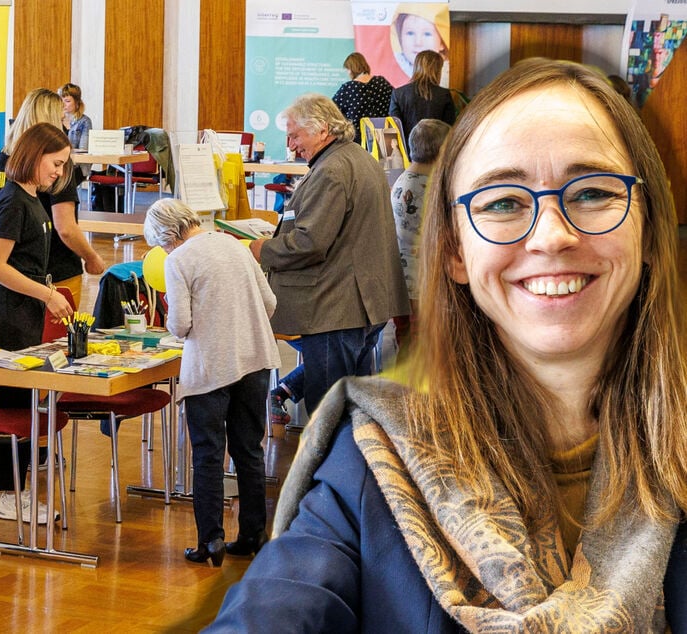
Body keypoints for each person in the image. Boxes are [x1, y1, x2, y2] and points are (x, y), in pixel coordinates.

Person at [210, 58, 687, 631]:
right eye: (503, 203)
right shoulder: (376, 463)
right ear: (456, 252)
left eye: (591, 192)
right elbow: (281, 602)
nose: (552, 235)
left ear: (650, 229)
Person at [249, 93, 409, 416]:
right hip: (366, 304)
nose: (291, 145)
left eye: (295, 135)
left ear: (322, 129)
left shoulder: (330, 171)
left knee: (327, 415)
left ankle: (325, 469)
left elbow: (311, 243)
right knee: (352, 411)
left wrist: (262, 249)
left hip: (335, 309)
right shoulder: (361, 159)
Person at [143, 199, 280, 567]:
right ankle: (253, 533)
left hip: (211, 367)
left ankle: (211, 540)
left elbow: (181, 324)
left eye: (161, 245)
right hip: (255, 358)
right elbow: (269, 303)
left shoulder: (178, 260)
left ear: (167, 235)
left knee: (207, 454)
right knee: (249, 449)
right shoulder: (233, 245)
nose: (164, 251)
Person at [0, 122, 74, 524]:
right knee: (22, 405)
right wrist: (47, 294)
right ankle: (14, 495)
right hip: (5, 313)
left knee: (7, 402)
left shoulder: (32, 200)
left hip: (18, 312)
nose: (58, 173)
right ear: (34, 155)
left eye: (63, 166)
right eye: (55, 163)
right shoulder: (13, 201)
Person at [0, 87, 105, 307]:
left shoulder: (1, 159)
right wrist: (92, 257)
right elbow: (66, 228)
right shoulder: (53, 166)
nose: (67, 125)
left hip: (13, 275)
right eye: (62, 119)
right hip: (53, 272)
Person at [389, 118, 450, 351]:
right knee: (420, 341)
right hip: (421, 281)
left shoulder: (403, 180)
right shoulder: (427, 189)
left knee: (407, 337)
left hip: (402, 279)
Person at [389, 49, 456, 139]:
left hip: (407, 151)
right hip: (437, 150)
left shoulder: (398, 94)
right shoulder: (444, 94)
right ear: (437, 70)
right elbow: (449, 128)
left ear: (416, 67)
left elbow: (395, 128)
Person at [331, 52, 393, 133]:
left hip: (357, 138)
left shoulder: (348, 88)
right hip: (383, 134)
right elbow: (394, 103)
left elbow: (331, 109)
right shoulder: (382, 82)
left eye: (347, 70)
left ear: (351, 69)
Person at [390, 3, 449, 79]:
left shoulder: (447, 74)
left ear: (442, 43)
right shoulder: (395, 65)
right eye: (410, 33)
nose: (418, 42)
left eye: (427, 34)